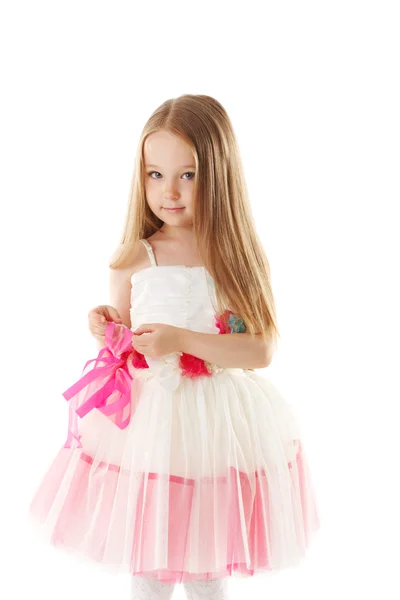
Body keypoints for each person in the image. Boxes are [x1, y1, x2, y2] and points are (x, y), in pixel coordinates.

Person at [28, 94, 320, 599]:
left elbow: (261, 350)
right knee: (151, 558)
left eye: (188, 174)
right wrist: (106, 327)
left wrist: (182, 340)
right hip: (152, 427)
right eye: (155, 174)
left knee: (208, 564)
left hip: (219, 426)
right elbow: (124, 341)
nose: (170, 192)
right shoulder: (134, 257)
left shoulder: (238, 258)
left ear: (219, 173)